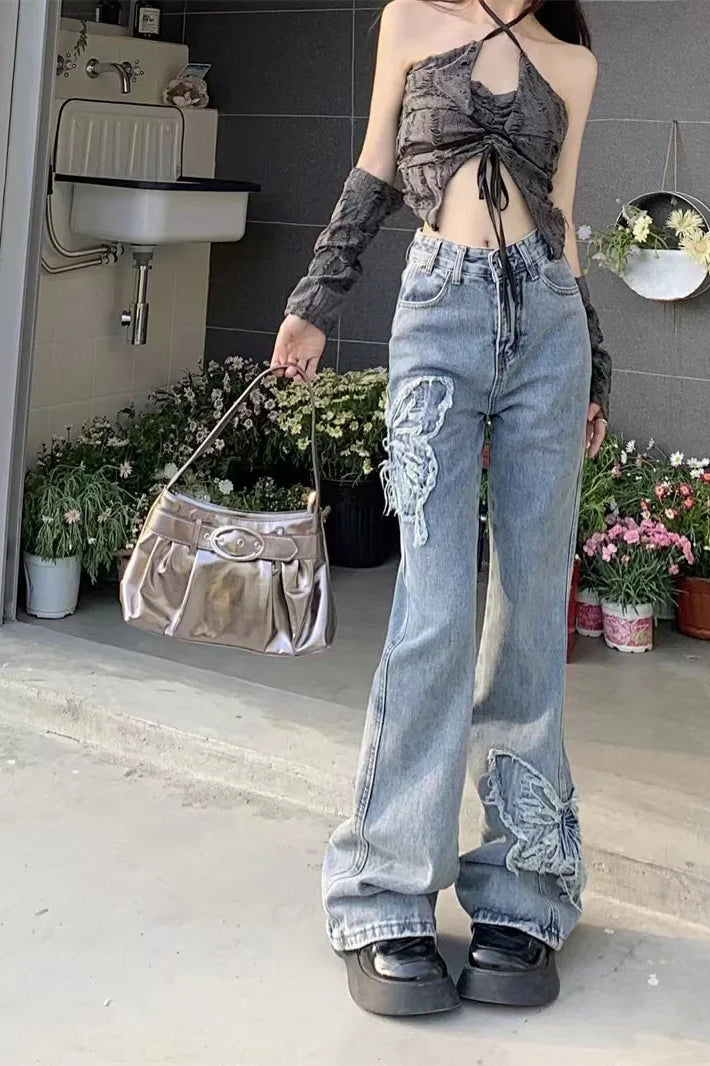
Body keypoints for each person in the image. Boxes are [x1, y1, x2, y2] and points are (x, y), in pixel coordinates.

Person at [271, 0, 611, 1017]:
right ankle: (385, 892)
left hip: (547, 324)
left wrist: (596, 370)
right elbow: (375, 169)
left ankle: (523, 891)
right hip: (439, 311)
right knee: (433, 610)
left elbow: (562, 219)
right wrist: (314, 301)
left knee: (530, 609)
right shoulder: (411, 22)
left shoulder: (571, 65)